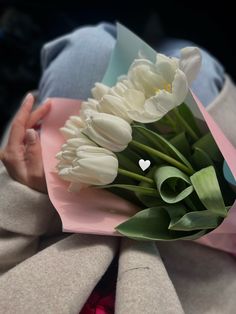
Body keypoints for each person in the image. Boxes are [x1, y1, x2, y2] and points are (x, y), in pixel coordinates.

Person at [0, 22, 236, 314]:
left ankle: (139, 20)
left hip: (54, 212)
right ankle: (159, 23)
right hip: (197, 252)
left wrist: (24, 194)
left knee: (87, 44)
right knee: (193, 59)